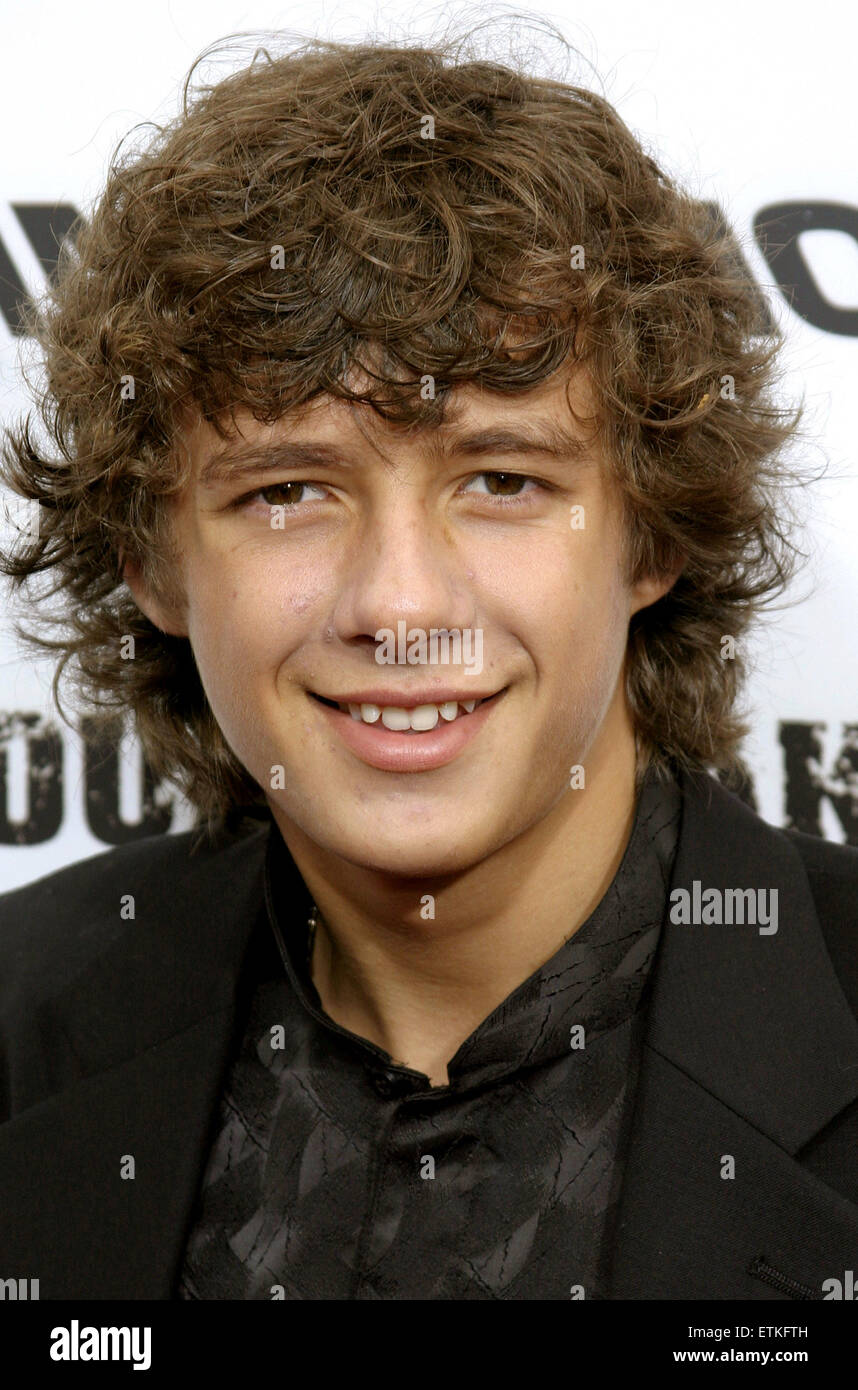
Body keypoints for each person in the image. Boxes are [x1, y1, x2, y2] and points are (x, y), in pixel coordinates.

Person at [1, 28, 857, 1302]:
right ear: (152, 562)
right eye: (288, 491)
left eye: (502, 480)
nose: (399, 605)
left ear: (653, 532)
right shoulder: (23, 1018)